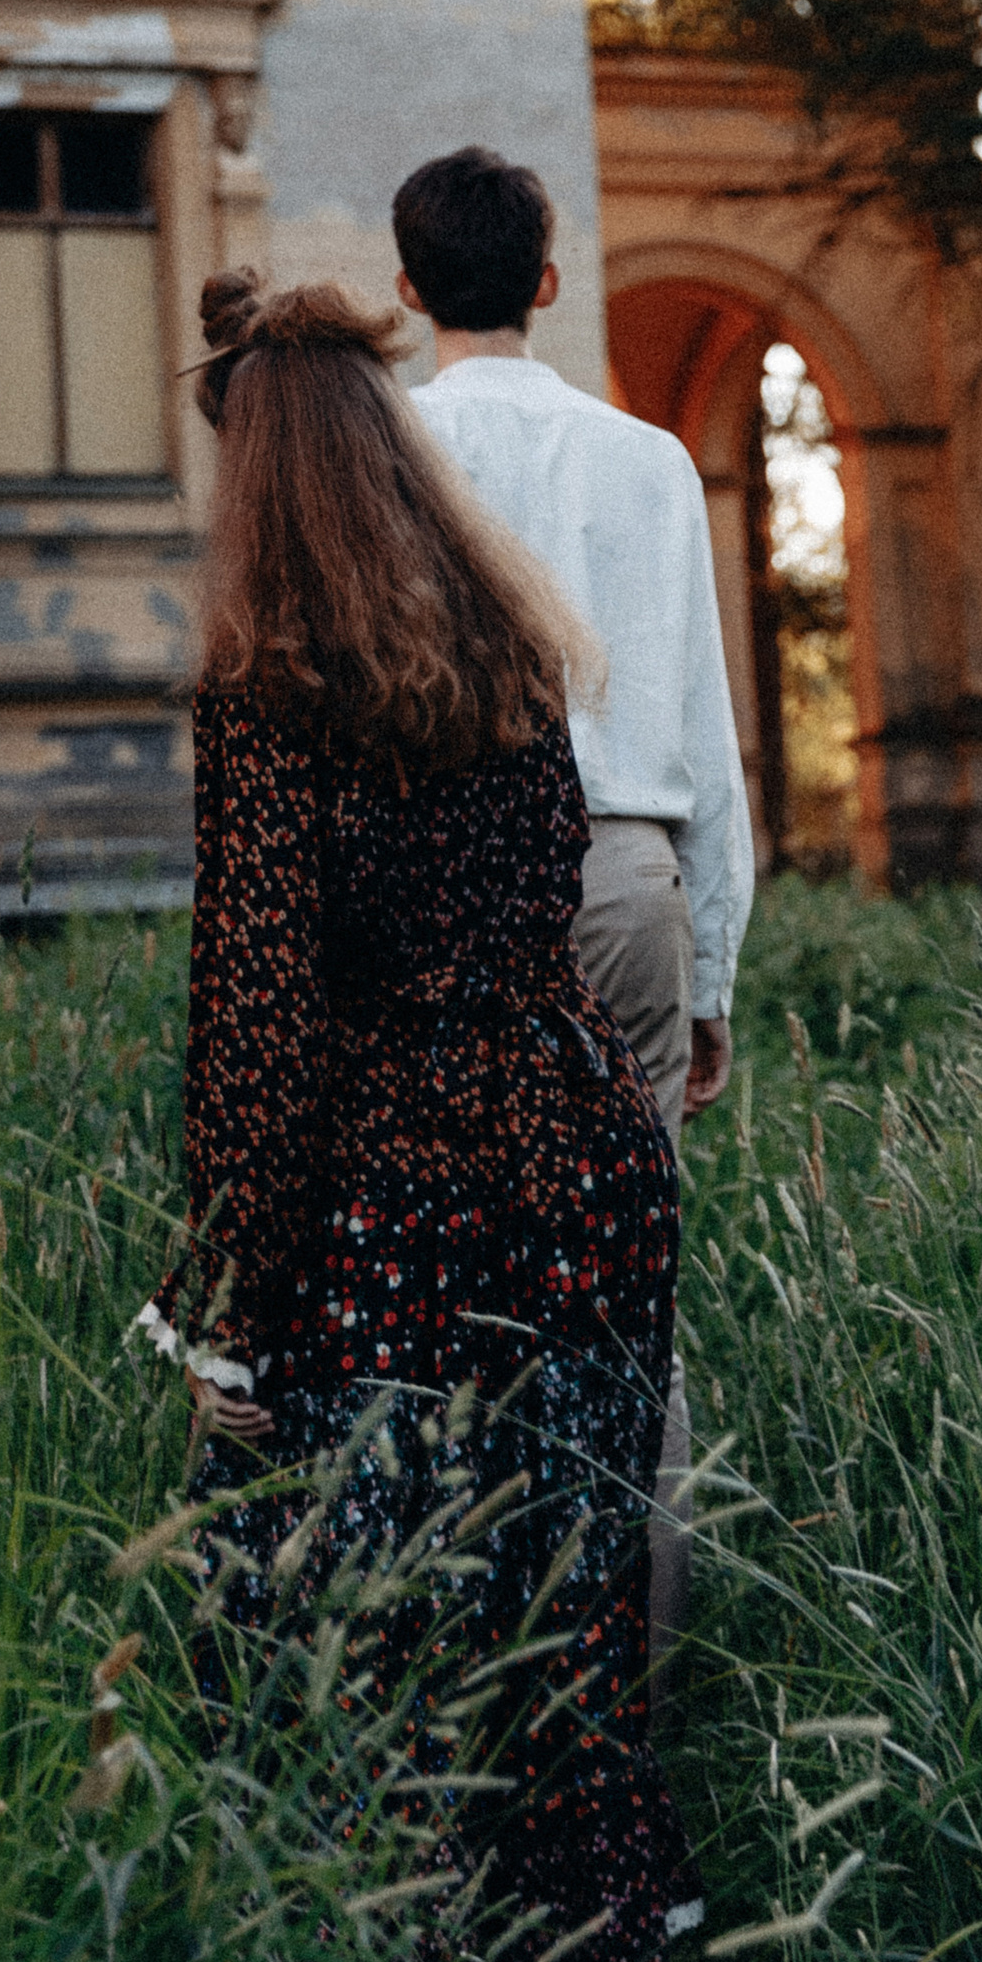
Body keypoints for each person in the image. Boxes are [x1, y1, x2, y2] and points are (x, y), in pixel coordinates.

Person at [138, 271, 701, 1962]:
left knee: (367, 1633)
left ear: (257, 484)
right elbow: (534, 915)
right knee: (567, 1612)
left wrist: (223, 1296)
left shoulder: (270, 697)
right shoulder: (514, 657)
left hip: (406, 1199)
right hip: (583, 1168)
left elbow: (260, 1016)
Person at [395, 145, 756, 1663]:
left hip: (435, 881)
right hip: (626, 879)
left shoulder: (383, 455)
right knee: (624, 1284)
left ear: (409, 290)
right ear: (549, 281)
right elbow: (707, 735)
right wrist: (714, 969)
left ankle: (474, 1657)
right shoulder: (652, 463)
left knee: (437, 1271)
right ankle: (636, 1678)